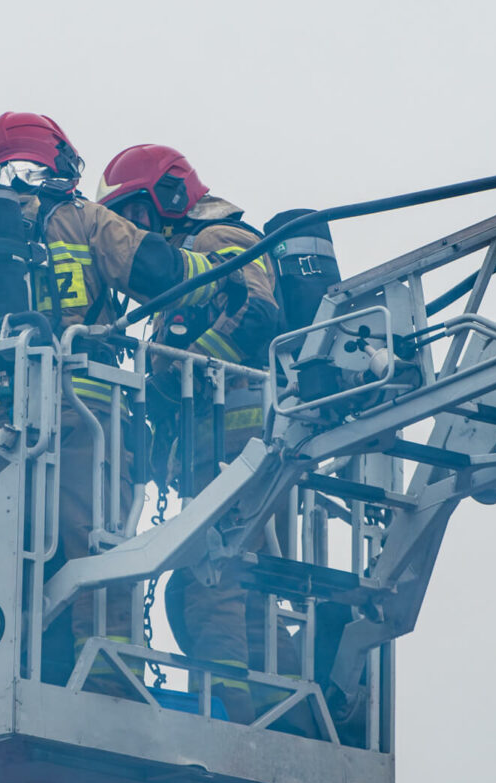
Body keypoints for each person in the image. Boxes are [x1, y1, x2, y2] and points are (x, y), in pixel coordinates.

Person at [0, 114, 241, 692]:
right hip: (87, 423)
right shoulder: (81, 219)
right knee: (98, 551)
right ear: (56, 160)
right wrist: (218, 273)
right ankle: (107, 677)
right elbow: (160, 272)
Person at [98, 144, 312, 732]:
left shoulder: (219, 241)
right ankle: (292, 712)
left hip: (234, 446)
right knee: (247, 592)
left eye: (134, 216)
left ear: (168, 196)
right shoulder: (192, 253)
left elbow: (258, 315)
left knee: (207, 584)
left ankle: (232, 721)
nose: (134, 233)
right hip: (225, 455)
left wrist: (184, 375)